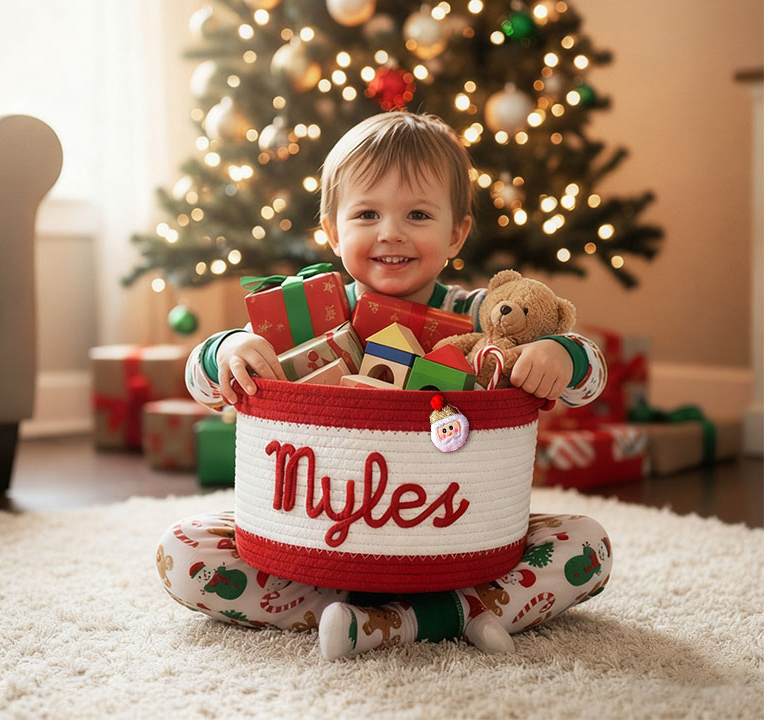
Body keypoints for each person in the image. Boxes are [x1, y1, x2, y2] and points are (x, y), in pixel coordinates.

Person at [158, 112, 611, 660]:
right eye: (367, 214)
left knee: (586, 546)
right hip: (323, 546)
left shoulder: (485, 316)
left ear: (456, 233)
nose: (391, 232)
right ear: (333, 230)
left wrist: (561, 355)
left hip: (457, 546)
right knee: (183, 552)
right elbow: (203, 385)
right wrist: (228, 350)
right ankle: (418, 615)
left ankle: (396, 622)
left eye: (418, 214)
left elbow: (590, 379)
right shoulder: (311, 313)